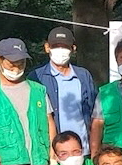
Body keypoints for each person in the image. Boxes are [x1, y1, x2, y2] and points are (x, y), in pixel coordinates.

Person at [28, 27, 97, 156]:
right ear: (47, 47)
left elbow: (94, 112)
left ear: (73, 49)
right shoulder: (36, 77)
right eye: (55, 46)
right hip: (52, 152)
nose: (60, 50)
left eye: (65, 46)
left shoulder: (83, 75)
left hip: (82, 150)